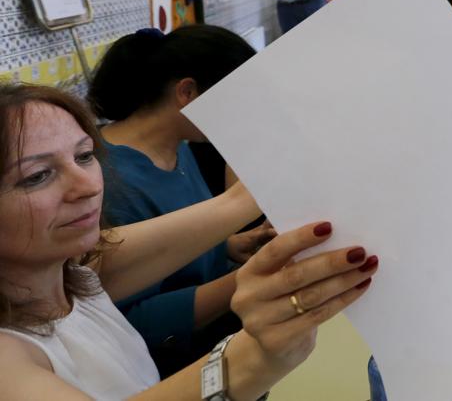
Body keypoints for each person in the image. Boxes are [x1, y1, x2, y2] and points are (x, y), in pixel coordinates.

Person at [0, 83, 378, 399]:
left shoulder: (71, 273)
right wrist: (254, 355)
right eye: (36, 176)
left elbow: (235, 203)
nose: (87, 186)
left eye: (84, 155)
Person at [86, 25, 270, 377]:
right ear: (187, 92)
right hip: (171, 370)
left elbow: (169, 248)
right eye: (237, 101)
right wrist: (247, 278)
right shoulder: (106, 182)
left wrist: (228, 246)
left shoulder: (180, 149)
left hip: (220, 343)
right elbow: (129, 320)